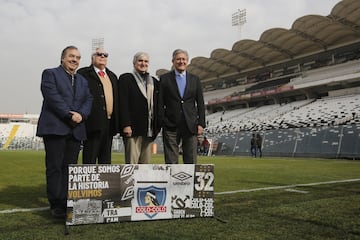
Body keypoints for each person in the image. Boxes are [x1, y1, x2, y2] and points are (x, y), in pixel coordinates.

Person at [36, 46, 93, 218]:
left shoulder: (82, 80)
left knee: (70, 169)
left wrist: (81, 115)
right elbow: (52, 97)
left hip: (75, 130)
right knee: (55, 168)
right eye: (71, 56)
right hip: (56, 128)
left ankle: (67, 201)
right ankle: (56, 205)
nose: (74, 60)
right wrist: (69, 115)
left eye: (77, 57)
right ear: (62, 58)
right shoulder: (50, 73)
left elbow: (88, 99)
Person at [158, 49, 206, 164]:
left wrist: (201, 123)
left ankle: (190, 182)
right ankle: (171, 182)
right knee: (171, 161)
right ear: (173, 61)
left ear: (187, 61)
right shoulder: (164, 79)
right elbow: (160, 103)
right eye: (178, 59)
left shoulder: (195, 79)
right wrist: (162, 121)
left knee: (191, 160)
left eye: (183, 59)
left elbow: (200, 103)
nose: (181, 61)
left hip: (190, 125)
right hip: (170, 125)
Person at [77, 48, 119, 165]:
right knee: (90, 158)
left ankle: (104, 182)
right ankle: (88, 183)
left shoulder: (112, 76)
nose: (102, 57)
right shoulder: (83, 73)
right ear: (92, 57)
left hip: (109, 124)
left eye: (105, 55)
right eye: (99, 54)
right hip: (92, 123)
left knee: (105, 160)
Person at [118, 52, 160, 164]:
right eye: (140, 61)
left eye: (146, 61)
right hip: (133, 129)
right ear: (134, 63)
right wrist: (126, 125)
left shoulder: (154, 81)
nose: (143, 63)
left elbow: (157, 105)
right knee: (132, 164)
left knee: (145, 165)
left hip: (149, 130)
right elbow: (123, 103)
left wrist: (157, 127)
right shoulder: (126, 79)